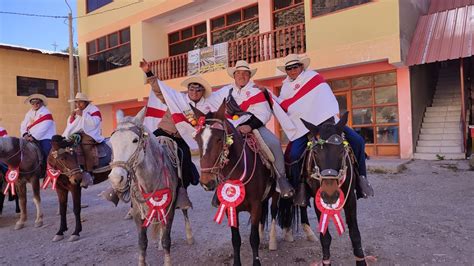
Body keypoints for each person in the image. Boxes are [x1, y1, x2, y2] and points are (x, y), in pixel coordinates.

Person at [274, 54, 374, 202]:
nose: (292, 70)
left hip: (328, 123)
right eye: (289, 68)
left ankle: (361, 179)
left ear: (301, 67)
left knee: (358, 141)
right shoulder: (285, 89)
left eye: (295, 67)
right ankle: (299, 187)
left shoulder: (314, 78)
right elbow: (290, 109)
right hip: (306, 128)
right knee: (294, 154)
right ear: (286, 71)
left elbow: (325, 99)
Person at [206, 60, 294, 198]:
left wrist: (250, 126)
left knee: (274, 143)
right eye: (239, 73)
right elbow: (209, 104)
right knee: (215, 148)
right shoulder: (224, 92)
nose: (242, 76)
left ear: (249, 76)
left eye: (245, 73)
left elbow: (264, 113)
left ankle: (281, 179)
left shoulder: (255, 91)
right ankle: (219, 183)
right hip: (230, 129)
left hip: (254, 126)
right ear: (234, 76)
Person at [140, 59, 209, 209]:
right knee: (140, 148)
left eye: (198, 90)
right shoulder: (177, 99)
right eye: (191, 89)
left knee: (185, 158)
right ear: (188, 90)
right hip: (162, 132)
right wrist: (148, 72)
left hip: (181, 139)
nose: (194, 92)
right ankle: (127, 185)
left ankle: (182, 192)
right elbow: (159, 90)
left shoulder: (206, 107)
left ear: (202, 92)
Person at [63, 92, 104, 187]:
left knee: (86, 146)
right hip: (78, 133)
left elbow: (95, 123)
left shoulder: (94, 109)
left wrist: (83, 115)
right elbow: (71, 125)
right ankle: (73, 170)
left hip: (90, 133)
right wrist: (72, 117)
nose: (78, 104)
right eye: (77, 102)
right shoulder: (77, 110)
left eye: (80, 102)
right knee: (68, 145)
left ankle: (89, 172)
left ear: (85, 102)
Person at [20, 94, 56, 170]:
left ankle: (50, 169)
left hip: (45, 137)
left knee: (46, 151)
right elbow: (23, 124)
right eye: (33, 103)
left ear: (41, 103)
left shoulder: (46, 112)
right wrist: (25, 134)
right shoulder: (29, 113)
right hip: (30, 137)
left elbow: (44, 128)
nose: (35, 105)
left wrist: (33, 137)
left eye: (37, 103)